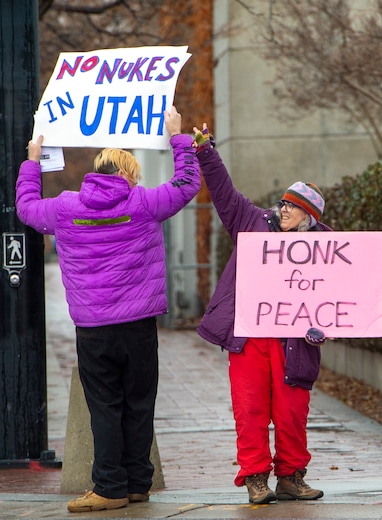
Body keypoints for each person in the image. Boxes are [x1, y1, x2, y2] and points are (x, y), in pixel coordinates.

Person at [15, 106, 201, 513]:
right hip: (139, 326)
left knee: (105, 407)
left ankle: (109, 487)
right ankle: (136, 484)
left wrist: (32, 162)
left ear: (95, 172)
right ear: (129, 173)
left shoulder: (65, 207)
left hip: (94, 328)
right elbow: (187, 184)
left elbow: (27, 208)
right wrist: (178, 138)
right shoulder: (145, 202)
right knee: (139, 403)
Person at [192, 124, 328, 504]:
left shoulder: (325, 246)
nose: (283, 210)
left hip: (295, 342)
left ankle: (291, 476)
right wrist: (205, 150)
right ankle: (255, 478)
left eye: (292, 207)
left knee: (291, 411)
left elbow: (335, 297)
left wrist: (323, 326)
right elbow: (222, 191)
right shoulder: (251, 221)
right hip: (250, 335)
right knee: (250, 408)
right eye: (283, 203)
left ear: (308, 217)